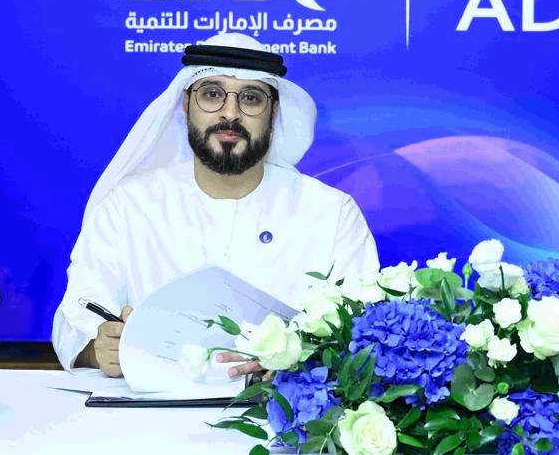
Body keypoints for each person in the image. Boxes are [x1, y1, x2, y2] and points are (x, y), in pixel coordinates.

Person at [52, 33, 379, 377]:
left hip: (278, 408)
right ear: (185, 105)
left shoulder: (331, 214)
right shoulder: (129, 206)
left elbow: (362, 337)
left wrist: (301, 359)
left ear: (274, 113)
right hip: (149, 407)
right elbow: (75, 323)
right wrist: (98, 349)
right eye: (212, 94)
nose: (230, 114)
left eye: (250, 98)